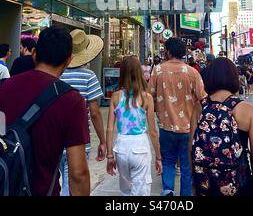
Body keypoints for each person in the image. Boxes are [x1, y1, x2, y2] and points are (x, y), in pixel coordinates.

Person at [0, 27, 90, 196]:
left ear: (34, 53)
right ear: (69, 60)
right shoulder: (72, 101)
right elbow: (78, 174)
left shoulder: (4, 87)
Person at [190, 58, 253, 197]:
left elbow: (191, 148)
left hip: (207, 185)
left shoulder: (199, 106)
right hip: (239, 183)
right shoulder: (246, 109)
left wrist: (195, 183)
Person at [149, 38, 206, 197]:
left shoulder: (158, 71)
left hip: (166, 128)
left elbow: (149, 95)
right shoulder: (192, 72)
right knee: (187, 166)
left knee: (168, 161)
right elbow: (203, 98)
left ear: (168, 51)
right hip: (189, 129)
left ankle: (168, 191)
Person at [106, 56, 162, 196]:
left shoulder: (115, 97)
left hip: (121, 147)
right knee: (141, 188)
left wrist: (109, 156)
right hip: (140, 146)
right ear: (139, 72)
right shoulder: (147, 98)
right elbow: (152, 131)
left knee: (126, 189)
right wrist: (158, 157)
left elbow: (110, 129)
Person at [60, 29, 106, 196]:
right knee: (71, 183)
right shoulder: (89, 76)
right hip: (78, 137)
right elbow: (94, 112)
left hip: (54, 136)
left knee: (56, 180)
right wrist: (103, 141)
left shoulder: (57, 74)